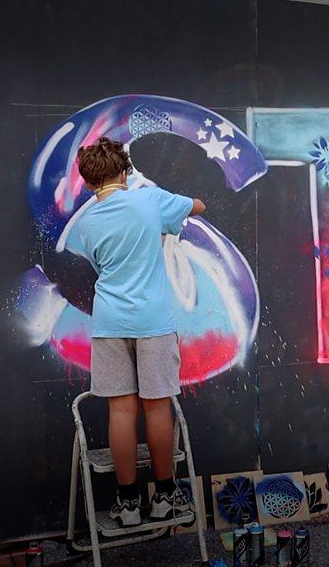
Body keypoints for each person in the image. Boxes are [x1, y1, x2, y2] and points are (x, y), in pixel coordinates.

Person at [72, 137, 206, 526]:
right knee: (157, 406)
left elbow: (99, 264)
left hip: (109, 322)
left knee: (121, 409)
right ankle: (165, 497)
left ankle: (127, 503)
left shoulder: (86, 223)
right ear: (124, 170)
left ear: (88, 181)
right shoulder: (148, 200)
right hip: (153, 322)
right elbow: (198, 206)